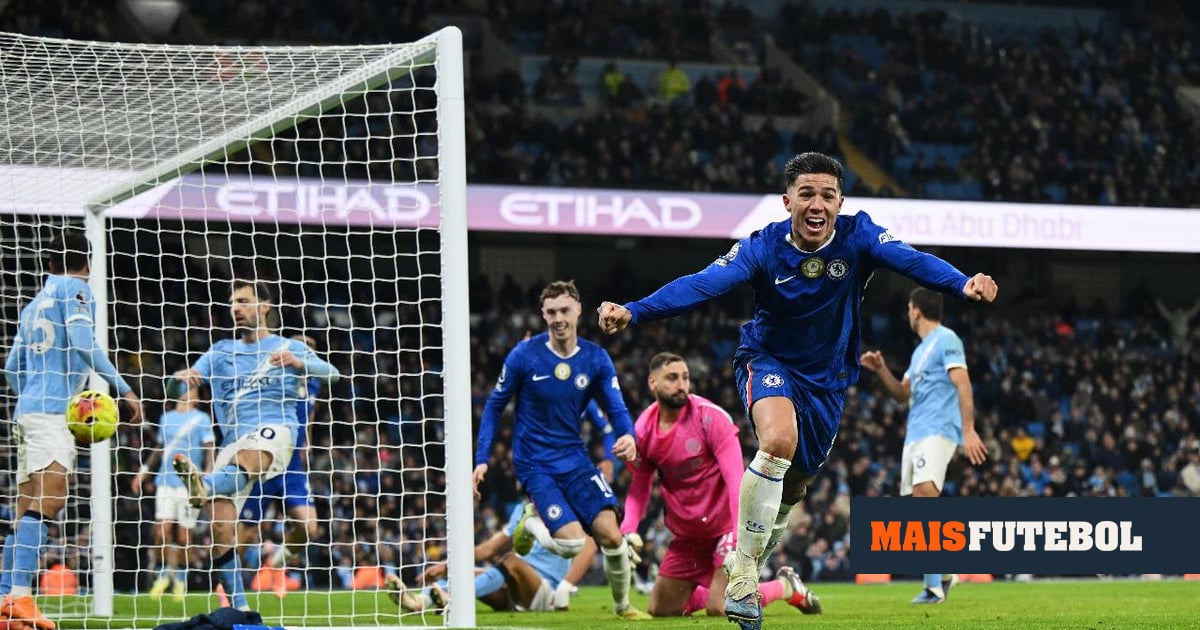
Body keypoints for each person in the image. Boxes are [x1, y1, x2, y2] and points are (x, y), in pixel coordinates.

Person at [597, 152, 998, 630]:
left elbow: (912, 261)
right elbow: (704, 284)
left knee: (796, 484)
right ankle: (742, 573)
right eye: (806, 193)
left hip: (827, 381)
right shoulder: (763, 247)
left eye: (827, 195)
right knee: (778, 441)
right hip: (768, 361)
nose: (817, 203)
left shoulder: (859, 235)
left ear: (840, 201)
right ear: (788, 201)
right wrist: (635, 311)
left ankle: (758, 565)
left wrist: (961, 283)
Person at [473, 280, 650, 620]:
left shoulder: (595, 358)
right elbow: (494, 406)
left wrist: (629, 436)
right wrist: (481, 460)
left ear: (579, 310)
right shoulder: (524, 356)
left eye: (564, 310)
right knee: (571, 544)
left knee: (611, 535)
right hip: (535, 463)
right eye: (551, 312)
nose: (558, 318)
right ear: (543, 314)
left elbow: (615, 408)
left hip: (575, 459)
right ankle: (530, 525)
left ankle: (624, 606)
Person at [0, 228, 144, 630]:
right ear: (89, 263)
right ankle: (21, 597)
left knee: (26, 508)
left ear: (48, 263)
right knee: (50, 502)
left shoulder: (32, 305)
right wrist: (125, 388)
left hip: (27, 412)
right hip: (49, 414)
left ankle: (4, 603)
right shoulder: (75, 290)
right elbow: (83, 342)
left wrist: (31, 398)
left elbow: (13, 368)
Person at [171, 279, 340, 611]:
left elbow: (332, 373)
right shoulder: (220, 350)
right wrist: (183, 377)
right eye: (233, 302)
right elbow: (189, 377)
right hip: (233, 444)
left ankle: (205, 486)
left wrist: (299, 362)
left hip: (277, 434)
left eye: (244, 301)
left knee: (305, 522)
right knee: (222, 530)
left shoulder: (287, 348)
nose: (236, 308)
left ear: (264, 306)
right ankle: (241, 610)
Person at [621, 352, 822, 618]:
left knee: (720, 606)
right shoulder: (644, 429)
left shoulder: (710, 418)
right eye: (672, 378)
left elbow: (734, 479)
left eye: (685, 377)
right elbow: (640, 486)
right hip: (687, 535)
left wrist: (739, 537)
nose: (681, 384)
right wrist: (628, 530)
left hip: (723, 528)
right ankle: (706, 593)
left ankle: (785, 586)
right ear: (652, 383)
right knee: (660, 610)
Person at [859, 287, 988, 604]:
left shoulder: (947, 339)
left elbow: (963, 383)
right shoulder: (919, 353)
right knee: (919, 505)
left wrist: (968, 430)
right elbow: (902, 395)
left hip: (938, 430)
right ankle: (944, 575)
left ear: (915, 310)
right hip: (916, 433)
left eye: (908, 308)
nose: (907, 314)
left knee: (924, 496)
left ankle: (934, 587)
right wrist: (881, 371)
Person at [237, 334, 324, 598]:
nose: (305, 353)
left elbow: (310, 414)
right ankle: (227, 584)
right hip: (266, 460)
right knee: (246, 533)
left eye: (311, 349)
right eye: (301, 348)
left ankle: (277, 565)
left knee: (309, 527)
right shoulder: (274, 378)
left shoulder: (314, 384)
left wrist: (306, 440)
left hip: (293, 464)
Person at [391, 500, 572, 614]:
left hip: (545, 592)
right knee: (461, 570)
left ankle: (451, 598)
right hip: (512, 590)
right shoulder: (523, 510)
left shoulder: (565, 509)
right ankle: (419, 602)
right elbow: (488, 549)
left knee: (511, 560)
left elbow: (584, 546)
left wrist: (567, 587)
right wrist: (447, 565)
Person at [131, 377, 215, 601]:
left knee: (184, 535)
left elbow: (209, 449)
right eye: (192, 388)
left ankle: (180, 579)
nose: (195, 392)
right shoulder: (166, 419)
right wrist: (143, 472)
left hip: (189, 484)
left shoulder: (202, 419)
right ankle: (163, 575)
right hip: (165, 481)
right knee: (161, 531)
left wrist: (208, 476)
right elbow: (159, 449)